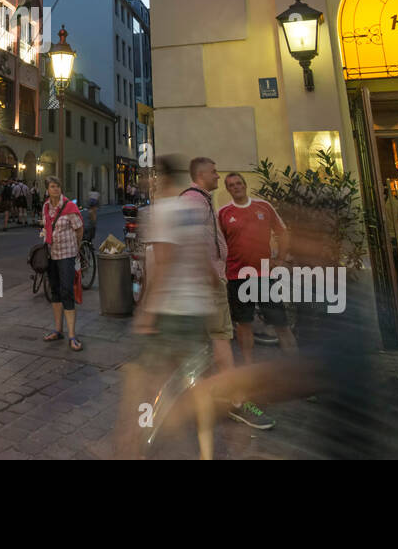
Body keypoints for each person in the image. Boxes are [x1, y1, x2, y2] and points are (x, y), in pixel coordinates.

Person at [122, 155, 231, 459]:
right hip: (196, 310)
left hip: (171, 313)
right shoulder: (191, 211)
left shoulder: (160, 211)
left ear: (160, 178)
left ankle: (137, 448)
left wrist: (146, 312)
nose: (148, 183)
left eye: (150, 177)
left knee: (148, 384)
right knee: (198, 385)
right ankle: (207, 452)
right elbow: (205, 261)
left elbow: (163, 267)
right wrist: (211, 293)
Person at [183, 158, 274, 430]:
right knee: (222, 338)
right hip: (209, 283)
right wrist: (213, 277)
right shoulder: (194, 201)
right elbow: (192, 242)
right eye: (214, 172)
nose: (218, 176)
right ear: (200, 175)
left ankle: (208, 398)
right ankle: (236, 401)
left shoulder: (200, 200)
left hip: (204, 282)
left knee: (208, 342)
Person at [219, 172, 296, 366]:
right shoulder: (223, 213)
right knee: (244, 325)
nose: (236, 187)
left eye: (238, 183)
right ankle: (249, 369)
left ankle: (297, 370)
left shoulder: (264, 207)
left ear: (245, 185)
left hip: (264, 275)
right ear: (228, 189)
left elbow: (283, 232)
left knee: (281, 324)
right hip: (237, 277)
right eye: (231, 185)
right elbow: (218, 245)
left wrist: (280, 259)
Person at [40, 176, 85, 351]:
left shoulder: (69, 207)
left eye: (58, 186)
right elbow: (46, 225)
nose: (56, 189)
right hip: (51, 254)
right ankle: (58, 330)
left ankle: (72, 335)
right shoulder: (45, 207)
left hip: (66, 255)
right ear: (47, 189)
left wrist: (76, 247)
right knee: (55, 291)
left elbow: (79, 229)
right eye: (52, 186)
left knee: (67, 291)